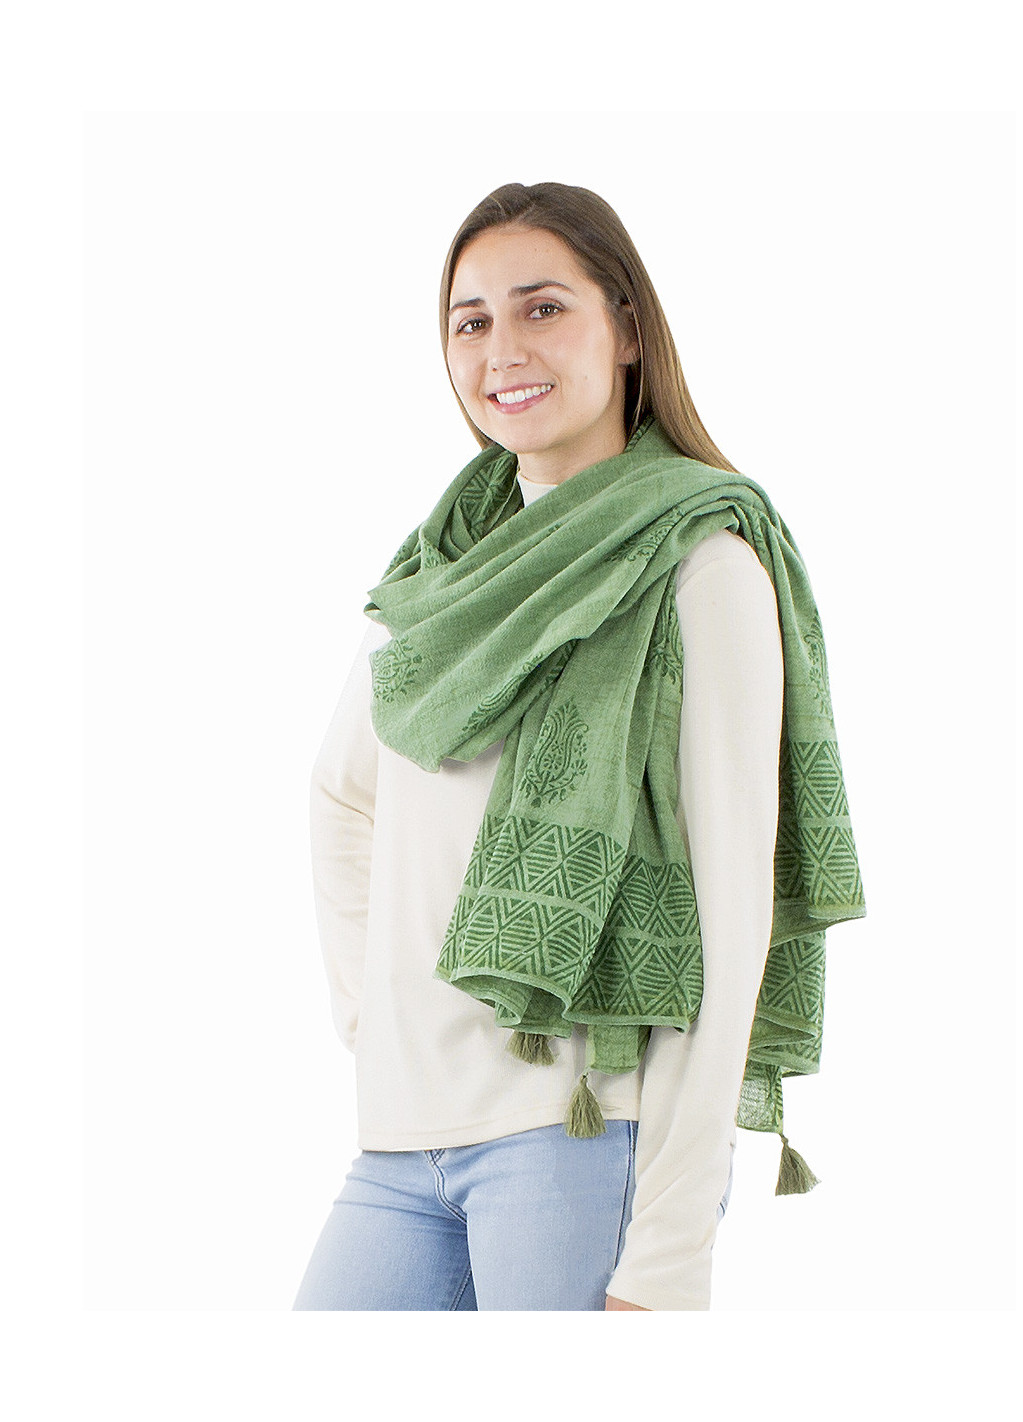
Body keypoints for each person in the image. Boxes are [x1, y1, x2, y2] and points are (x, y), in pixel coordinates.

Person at [291, 181, 864, 1312]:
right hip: (401, 1144)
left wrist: (667, 1251)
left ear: (628, 328)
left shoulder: (701, 564)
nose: (502, 348)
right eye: (471, 320)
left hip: (585, 1138)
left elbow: (730, 910)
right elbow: (340, 794)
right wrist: (377, 1021)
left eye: (542, 308)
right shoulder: (440, 575)